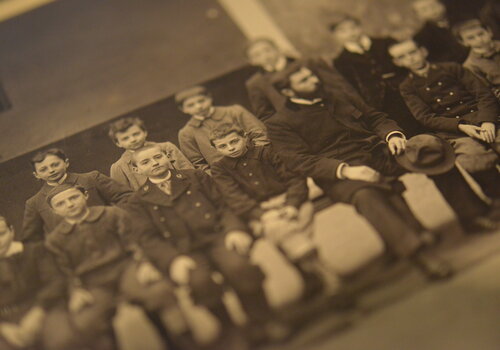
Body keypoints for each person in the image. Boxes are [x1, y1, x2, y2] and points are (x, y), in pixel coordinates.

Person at [265, 62, 495, 279]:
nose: (314, 80)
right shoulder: (280, 123)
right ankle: (419, 255)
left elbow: (376, 117)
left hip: (378, 153)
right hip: (340, 175)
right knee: (367, 195)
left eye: (312, 75)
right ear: (287, 91)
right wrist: (346, 171)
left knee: (431, 152)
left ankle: (471, 216)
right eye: (304, 80)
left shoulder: (336, 95)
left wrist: (392, 135)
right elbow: (299, 161)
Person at [126, 144, 290, 345]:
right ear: (136, 170)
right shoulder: (137, 201)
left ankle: (263, 320)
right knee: (199, 281)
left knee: (239, 266)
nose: (155, 163)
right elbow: (147, 238)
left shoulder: (195, 177)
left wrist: (234, 230)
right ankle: (230, 329)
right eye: (146, 162)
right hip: (184, 252)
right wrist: (173, 260)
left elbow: (224, 205)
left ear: (168, 156)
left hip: (217, 236)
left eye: (158, 157)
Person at [43, 184, 187, 350]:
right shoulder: (56, 239)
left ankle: (180, 342)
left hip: (126, 268)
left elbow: (134, 242)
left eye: (73, 197)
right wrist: (75, 291)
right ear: (54, 211)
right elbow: (64, 270)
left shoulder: (111, 214)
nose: (69, 204)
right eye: (60, 204)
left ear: (85, 196)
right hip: (94, 284)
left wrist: (144, 263)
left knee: (158, 292)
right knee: (87, 320)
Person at [209, 123, 339, 298]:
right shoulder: (220, 168)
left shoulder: (267, 152)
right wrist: (262, 214)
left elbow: (295, 180)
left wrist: (292, 205)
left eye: (234, 141)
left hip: (292, 201)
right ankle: (329, 278)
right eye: (222, 146)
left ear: (245, 137)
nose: (230, 148)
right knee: (280, 229)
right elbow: (235, 198)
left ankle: (314, 279)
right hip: (260, 212)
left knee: (285, 233)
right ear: (215, 148)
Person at [389, 39, 500, 199]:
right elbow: (425, 117)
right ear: (397, 62)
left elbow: (483, 94)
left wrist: (488, 121)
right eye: (403, 56)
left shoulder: (452, 68)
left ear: (423, 51)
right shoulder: (407, 87)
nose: (410, 58)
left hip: (483, 118)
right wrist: (461, 126)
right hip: (455, 131)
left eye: (412, 52)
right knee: (473, 159)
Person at [330, 14, 424, 136]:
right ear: (335, 36)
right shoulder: (341, 61)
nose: (351, 33)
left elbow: (404, 66)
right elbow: (353, 87)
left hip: (406, 90)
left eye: (353, 27)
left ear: (360, 27)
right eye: (342, 31)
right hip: (378, 103)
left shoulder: (385, 43)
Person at [21, 148, 132, 242]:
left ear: (66, 162)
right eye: (43, 169)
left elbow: (126, 197)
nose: (51, 171)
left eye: (55, 165)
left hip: (112, 236)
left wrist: (119, 220)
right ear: (36, 175)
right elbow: (32, 239)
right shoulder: (34, 203)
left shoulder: (91, 178)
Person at [245, 37, 360, 121]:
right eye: (257, 55)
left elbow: (340, 87)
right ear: (252, 62)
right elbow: (266, 115)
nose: (265, 56)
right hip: (301, 128)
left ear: (278, 49)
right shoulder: (256, 83)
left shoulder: (308, 63)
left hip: (334, 113)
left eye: (267, 50)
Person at [0, 215, 64, 350]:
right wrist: (3, 328)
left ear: (11, 231)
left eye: (1, 234)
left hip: (44, 309)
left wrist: (37, 314)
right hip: (5, 322)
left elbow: (55, 282)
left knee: (61, 340)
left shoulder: (35, 251)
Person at [176, 85, 269, 172]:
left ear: (209, 98)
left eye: (201, 101)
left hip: (259, 164)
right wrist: (219, 177)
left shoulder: (234, 111)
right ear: (183, 109)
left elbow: (260, 135)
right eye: (191, 105)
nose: (199, 106)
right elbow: (197, 163)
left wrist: (259, 158)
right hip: (227, 176)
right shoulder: (186, 133)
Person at [108, 116, 193, 191]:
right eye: (125, 138)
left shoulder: (167, 148)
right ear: (118, 143)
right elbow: (124, 197)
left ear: (144, 132)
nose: (133, 139)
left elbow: (189, 172)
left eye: (136, 134)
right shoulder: (119, 167)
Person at [453, 19, 500, 98]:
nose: (479, 39)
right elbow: (487, 91)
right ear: (463, 42)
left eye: (481, 34)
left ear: (489, 31)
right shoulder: (470, 65)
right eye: (471, 38)